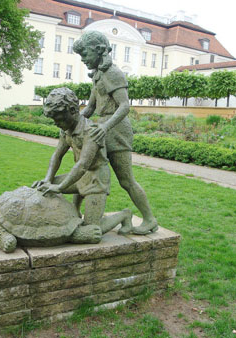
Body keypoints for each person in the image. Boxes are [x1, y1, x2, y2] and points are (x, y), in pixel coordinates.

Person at [73, 31, 158, 234]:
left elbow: (124, 106)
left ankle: (149, 219)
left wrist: (105, 126)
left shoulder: (113, 73)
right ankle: (75, 213)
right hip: (101, 129)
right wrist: (73, 122)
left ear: (99, 50)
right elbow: (90, 108)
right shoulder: (98, 75)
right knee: (84, 169)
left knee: (126, 180)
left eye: (85, 54)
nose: (83, 59)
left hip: (116, 130)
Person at [32, 87, 133, 235]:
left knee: (92, 229)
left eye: (59, 119)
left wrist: (60, 187)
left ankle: (124, 215)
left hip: (95, 180)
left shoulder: (90, 131)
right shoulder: (66, 130)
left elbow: (83, 164)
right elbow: (57, 155)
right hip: (80, 177)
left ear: (73, 111)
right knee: (44, 189)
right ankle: (74, 213)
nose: (56, 123)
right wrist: (47, 179)